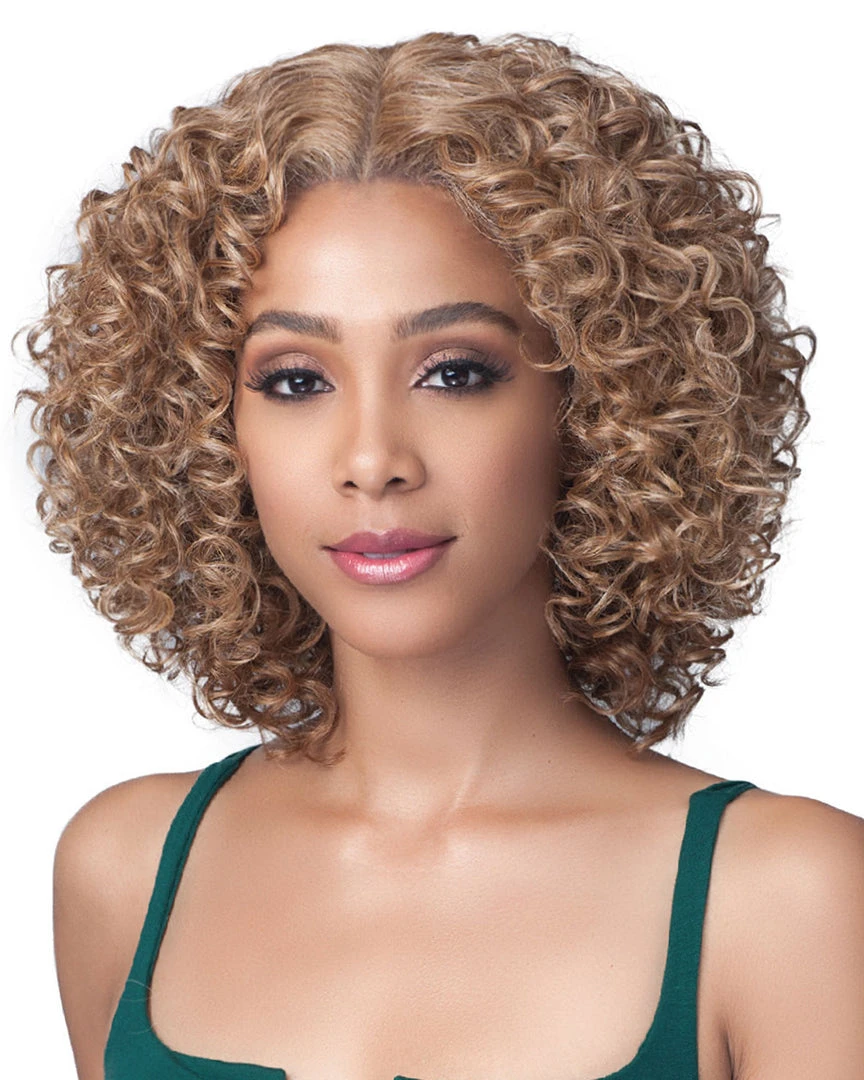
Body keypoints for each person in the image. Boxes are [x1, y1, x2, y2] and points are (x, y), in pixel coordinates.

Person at [19, 30, 863, 1080]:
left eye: (456, 372)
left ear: (602, 399)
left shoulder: (787, 900)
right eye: (295, 380)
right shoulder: (127, 870)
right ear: (204, 425)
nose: (373, 460)